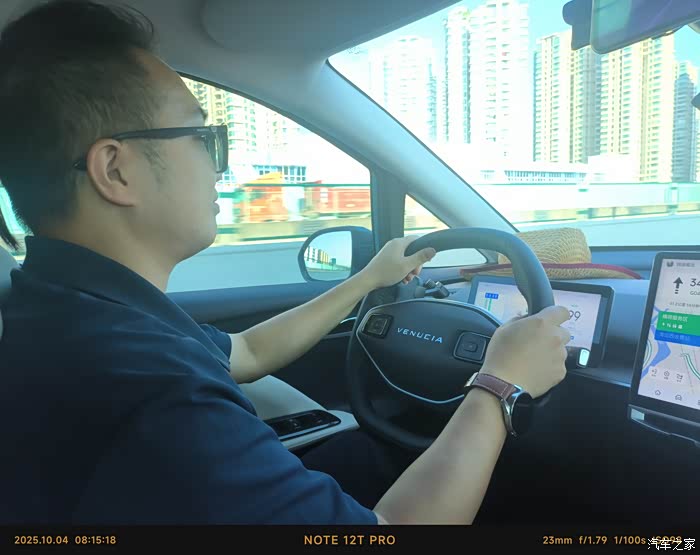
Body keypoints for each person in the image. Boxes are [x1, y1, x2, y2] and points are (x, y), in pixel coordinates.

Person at [0, 0, 570, 525]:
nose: (219, 166)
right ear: (115, 170)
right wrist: (501, 384)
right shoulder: (153, 393)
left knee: (359, 456)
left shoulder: (68, 309)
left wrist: (370, 279)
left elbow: (246, 352)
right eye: (203, 137)